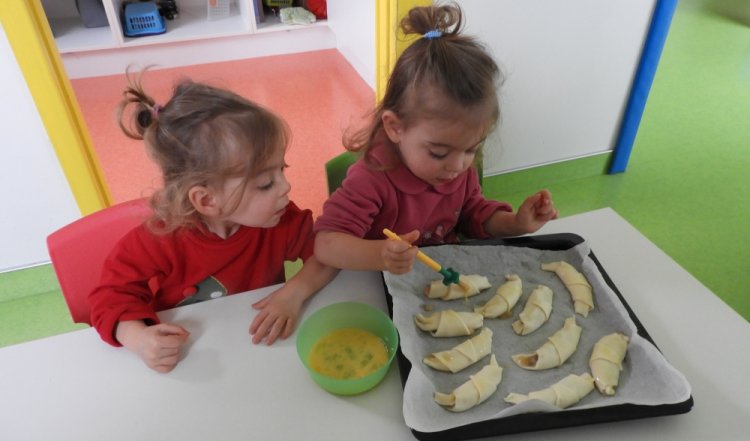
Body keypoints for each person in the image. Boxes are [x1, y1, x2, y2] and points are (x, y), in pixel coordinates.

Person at [89, 69, 338, 372]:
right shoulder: (159, 239)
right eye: (265, 184)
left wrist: (294, 293)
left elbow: (328, 251)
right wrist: (139, 338)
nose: (285, 187)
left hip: (256, 354)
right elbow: (109, 296)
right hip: (191, 358)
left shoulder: (279, 220)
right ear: (207, 200)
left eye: (280, 171)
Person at [314, 3, 558, 274]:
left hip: (439, 277)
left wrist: (516, 224)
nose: (457, 166)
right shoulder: (371, 178)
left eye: (471, 149)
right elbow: (326, 243)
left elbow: (473, 214)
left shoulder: (458, 168)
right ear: (395, 128)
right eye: (439, 153)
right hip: (381, 287)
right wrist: (380, 255)